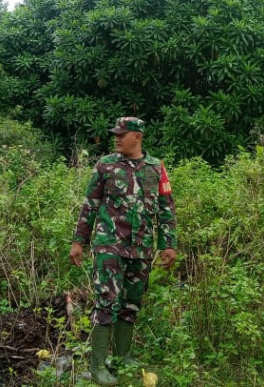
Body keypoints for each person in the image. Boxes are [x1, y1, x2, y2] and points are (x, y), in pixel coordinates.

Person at [70, 117, 177, 386]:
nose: (116, 138)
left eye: (122, 134)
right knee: (106, 303)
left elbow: (166, 209)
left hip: (141, 249)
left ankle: (122, 358)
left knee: (130, 304)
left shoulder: (156, 168)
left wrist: (168, 244)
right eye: (115, 134)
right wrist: (78, 241)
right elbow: (90, 205)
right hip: (109, 247)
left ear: (137, 137)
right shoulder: (105, 165)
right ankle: (97, 367)